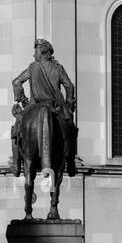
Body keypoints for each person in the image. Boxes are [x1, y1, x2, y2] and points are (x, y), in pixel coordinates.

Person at [11, 39, 78, 177]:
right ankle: (71, 163)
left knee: (17, 128)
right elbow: (69, 86)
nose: (33, 55)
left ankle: (16, 164)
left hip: (34, 106)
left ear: (42, 52)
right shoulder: (58, 68)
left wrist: (24, 101)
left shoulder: (32, 68)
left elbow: (16, 82)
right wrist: (69, 105)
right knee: (71, 129)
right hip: (56, 107)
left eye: (35, 51)